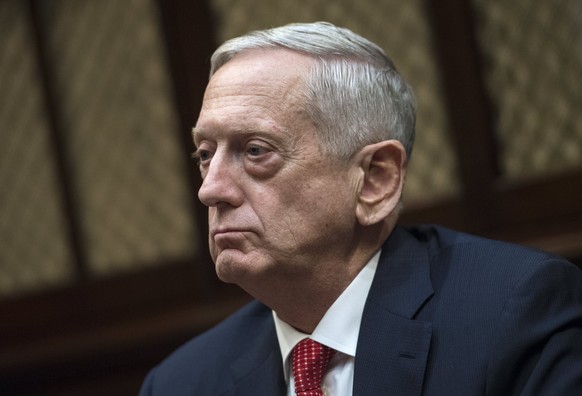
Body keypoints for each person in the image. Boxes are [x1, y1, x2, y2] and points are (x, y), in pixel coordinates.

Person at [139, 22, 582, 395]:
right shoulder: (181, 383)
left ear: (375, 180)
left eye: (255, 150)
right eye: (204, 154)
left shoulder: (514, 312)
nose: (211, 190)